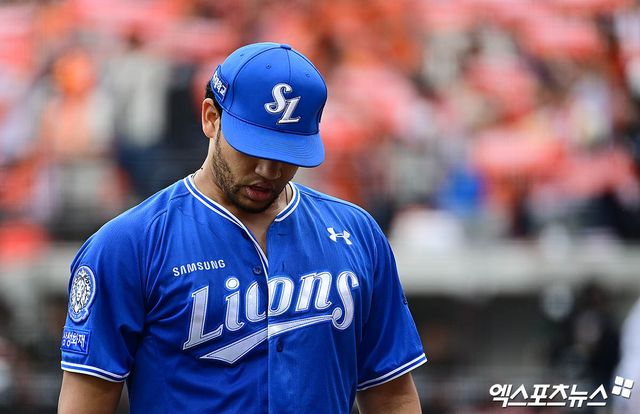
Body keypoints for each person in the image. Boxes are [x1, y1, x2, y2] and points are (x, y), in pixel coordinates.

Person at [57, 42, 426, 414]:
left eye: (286, 153)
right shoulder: (128, 244)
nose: (269, 170)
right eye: (254, 147)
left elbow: (392, 396)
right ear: (210, 118)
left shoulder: (357, 233)